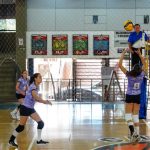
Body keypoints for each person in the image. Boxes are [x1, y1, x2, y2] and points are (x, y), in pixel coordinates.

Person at [9, 73, 52, 148]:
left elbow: (36, 98)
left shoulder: (36, 86)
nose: (41, 78)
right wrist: (45, 102)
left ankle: (39, 140)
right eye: (39, 77)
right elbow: (37, 98)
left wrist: (43, 101)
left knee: (41, 123)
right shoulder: (33, 87)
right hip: (25, 108)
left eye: (41, 77)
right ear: (35, 78)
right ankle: (11, 140)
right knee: (21, 127)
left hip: (30, 108)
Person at [118, 48, 146, 143]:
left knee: (127, 115)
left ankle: (132, 131)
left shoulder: (129, 74)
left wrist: (124, 52)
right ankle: (137, 134)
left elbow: (120, 65)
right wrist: (140, 54)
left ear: (133, 69)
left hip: (129, 95)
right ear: (140, 69)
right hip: (137, 95)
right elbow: (145, 63)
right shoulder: (142, 74)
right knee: (135, 115)